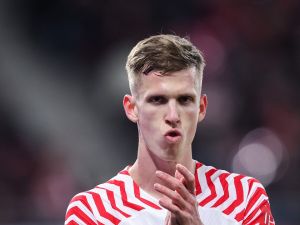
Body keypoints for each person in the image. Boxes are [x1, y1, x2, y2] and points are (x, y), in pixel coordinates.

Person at [65, 34, 275, 225]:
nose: (173, 116)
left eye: (185, 100)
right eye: (158, 100)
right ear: (132, 108)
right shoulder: (93, 211)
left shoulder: (244, 198)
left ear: (201, 108)